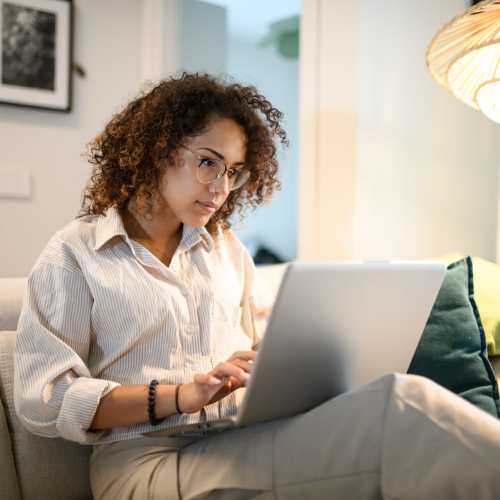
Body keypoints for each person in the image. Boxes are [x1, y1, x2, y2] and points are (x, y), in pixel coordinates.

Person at [14, 73, 500, 500]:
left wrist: (282, 359)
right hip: (142, 464)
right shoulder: (75, 254)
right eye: (209, 162)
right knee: (401, 407)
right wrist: (180, 395)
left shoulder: (224, 249)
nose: (222, 188)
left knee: (393, 398)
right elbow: (43, 399)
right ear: (158, 149)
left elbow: (260, 347)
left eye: (234, 172)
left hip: (237, 434)